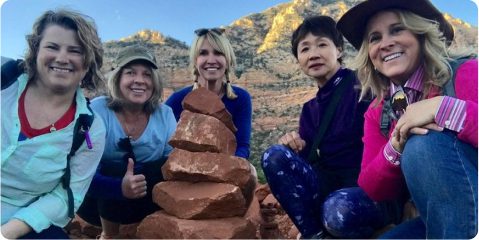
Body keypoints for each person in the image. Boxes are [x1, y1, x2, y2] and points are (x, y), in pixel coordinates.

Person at [337, 0, 477, 238]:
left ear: (421, 34)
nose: (385, 43)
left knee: (423, 144)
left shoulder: (465, 72)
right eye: (375, 38)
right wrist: (396, 144)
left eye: (397, 29)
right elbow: (371, 187)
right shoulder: (377, 111)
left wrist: (444, 108)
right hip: (433, 218)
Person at [261, 16, 395, 239]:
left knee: (336, 211)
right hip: (328, 187)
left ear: (339, 51)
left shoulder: (364, 85)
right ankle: (315, 235)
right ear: (299, 60)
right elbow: (312, 160)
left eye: (322, 44)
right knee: (273, 156)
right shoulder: (309, 109)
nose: (313, 54)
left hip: (366, 190)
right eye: (305, 49)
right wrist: (295, 146)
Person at [1, 9, 106, 239]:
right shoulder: (4, 81)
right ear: (35, 50)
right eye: (52, 47)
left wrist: (6, 234)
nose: (62, 58)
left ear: (87, 63)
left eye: (75, 51)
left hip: (19, 219)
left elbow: (67, 194)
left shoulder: (89, 128)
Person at [76, 45, 177, 239]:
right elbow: (81, 171)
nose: (139, 80)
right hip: (97, 202)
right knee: (112, 168)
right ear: (118, 79)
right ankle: (109, 235)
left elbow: (171, 166)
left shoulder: (165, 115)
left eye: (147, 75)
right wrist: (119, 187)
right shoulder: (97, 111)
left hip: (145, 199)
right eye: (130, 73)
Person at [165, 28, 252, 159]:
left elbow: (242, 147)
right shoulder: (176, 100)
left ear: (228, 61)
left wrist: (229, 167)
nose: (211, 60)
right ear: (195, 61)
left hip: (227, 170)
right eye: (203, 53)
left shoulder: (241, 98)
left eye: (218, 53)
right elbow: (165, 146)